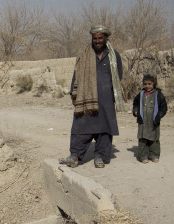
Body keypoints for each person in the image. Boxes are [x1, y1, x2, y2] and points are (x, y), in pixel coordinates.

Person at [59, 25, 124, 169]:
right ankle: (74, 155)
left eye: (100, 38)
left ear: (106, 38)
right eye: (95, 38)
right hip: (86, 98)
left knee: (104, 129)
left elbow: (118, 76)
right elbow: (76, 75)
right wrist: (73, 94)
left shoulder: (114, 56)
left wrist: (112, 95)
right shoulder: (84, 54)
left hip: (106, 99)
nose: (97, 41)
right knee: (80, 126)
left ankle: (100, 156)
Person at [132, 74, 167, 163]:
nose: (147, 86)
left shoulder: (158, 94)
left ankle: (154, 155)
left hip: (153, 121)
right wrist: (135, 111)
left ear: (154, 84)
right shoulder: (141, 94)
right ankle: (143, 156)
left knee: (154, 138)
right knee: (142, 138)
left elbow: (164, 107)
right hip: (143, 121)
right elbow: (135, 103)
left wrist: (159, 115)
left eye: (149, 84)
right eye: (145, 84)